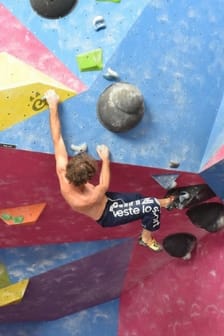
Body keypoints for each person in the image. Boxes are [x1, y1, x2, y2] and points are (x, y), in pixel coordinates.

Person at [45, 89, 175, 252]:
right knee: (152, 204)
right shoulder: (87, 198)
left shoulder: (62, 169)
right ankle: (147, 236)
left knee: (139, 199)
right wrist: (105, 159)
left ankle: (162, 205)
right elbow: (104, 184)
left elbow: (57, 139)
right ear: (86, 180)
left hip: (108, 199)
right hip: (109, 214)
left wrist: (53, 106)